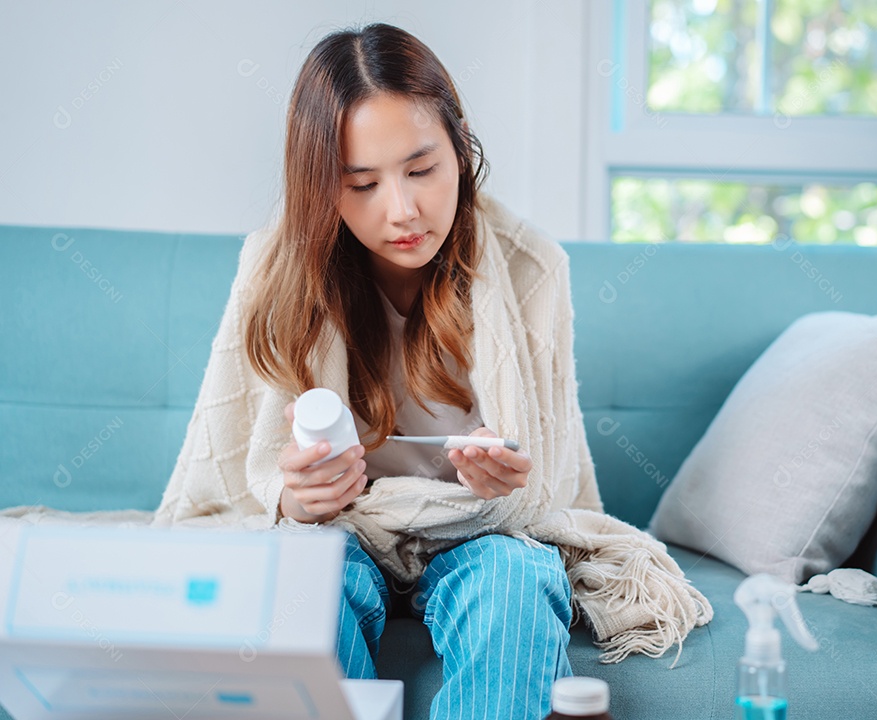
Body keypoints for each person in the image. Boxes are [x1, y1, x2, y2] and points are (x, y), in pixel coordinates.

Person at [154, 22, 711, 720]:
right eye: (361, 184)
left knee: (516, 578)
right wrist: (298, 500)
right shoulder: (275, 270)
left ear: (460, 143)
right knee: (303, 587)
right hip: (336, 534)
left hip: (481, 536)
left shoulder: (533, 267)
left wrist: (506, 487)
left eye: (422, 169)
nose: (403, 210)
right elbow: (236, 493)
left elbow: (551, 496)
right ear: (321, 188)